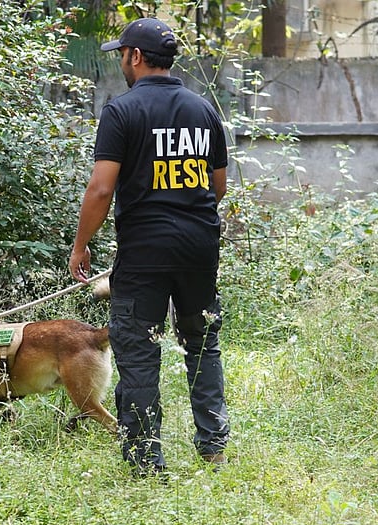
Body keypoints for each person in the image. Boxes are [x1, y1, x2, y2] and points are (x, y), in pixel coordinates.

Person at [68, 18, 230, 478]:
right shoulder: (203, 110)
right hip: (200, 248)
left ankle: (145, 460)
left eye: (122, 54)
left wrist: (81, 246)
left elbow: (101, 190)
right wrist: (185, 215)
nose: (121, 61)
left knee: (138, 350)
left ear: (135, 57)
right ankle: (213, 449)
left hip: (144, 254)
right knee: (202, 345)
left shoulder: (122, 111)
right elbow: (216, 186)